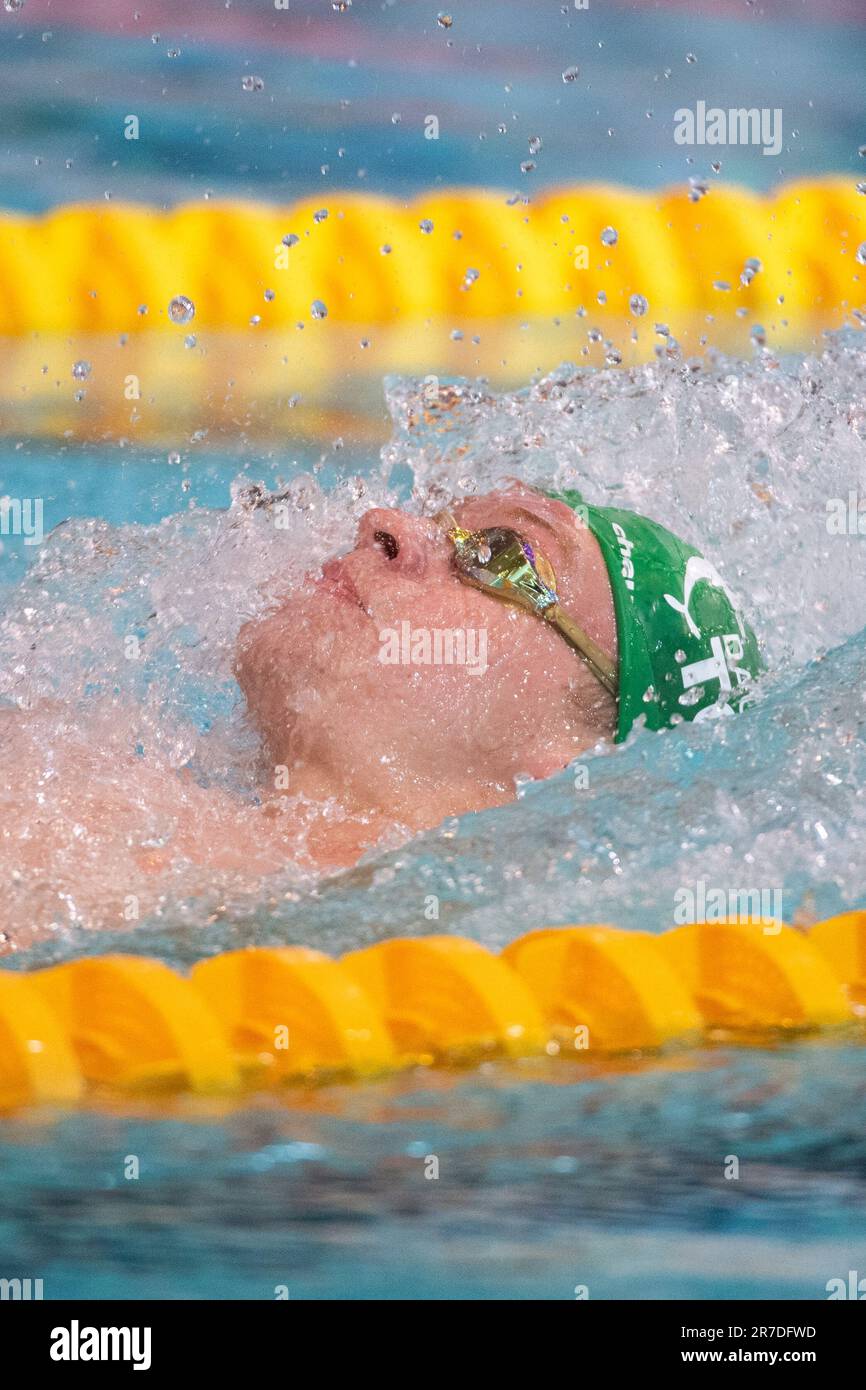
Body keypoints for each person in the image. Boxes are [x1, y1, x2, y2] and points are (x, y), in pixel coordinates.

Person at [0, 482, 761, 949]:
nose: (384, 520)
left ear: (566, 764)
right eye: (445, 519)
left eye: (501, 554)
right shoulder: (98, 779)